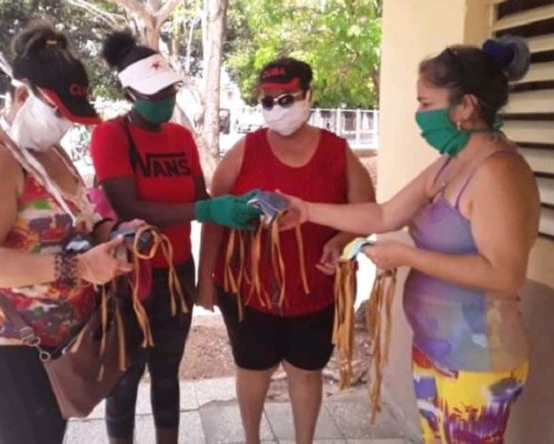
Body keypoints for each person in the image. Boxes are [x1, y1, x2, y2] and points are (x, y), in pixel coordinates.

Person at [281, 37, 538, 443]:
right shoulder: (451, 162)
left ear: (465, 106)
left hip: (475, 358)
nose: (419, 115)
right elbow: (384, 214)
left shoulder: (498, 173)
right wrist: (307, 210)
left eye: (426, 103)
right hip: (437, 347)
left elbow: (505, 275)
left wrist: (407, 256)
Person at [0, 21, 133, 444]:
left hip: (56, 337)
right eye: (59, 113)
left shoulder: (50, 153)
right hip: (2, 342)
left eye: (72, 117)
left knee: (47, 433)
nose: (65, 126)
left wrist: (115, 232)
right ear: (23, 95)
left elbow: (80, 220)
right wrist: (80, 268)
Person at [90, 30, 259, 444]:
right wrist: (204, 211)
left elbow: (198, 199)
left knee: (167, 375)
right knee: (124, 380)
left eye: (169, 90)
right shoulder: (110, 136)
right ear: (130, 93)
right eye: (155, 93)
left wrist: (234, 204)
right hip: (130, 278)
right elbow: (129, 207)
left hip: (177, 275)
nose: (165, 99)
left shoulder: (181, 138)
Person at [197, 57, 375, 444]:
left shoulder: (337, 152)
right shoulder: (246, 150)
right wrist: (204, 281)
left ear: (309, 95)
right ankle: (252, 439)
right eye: (267, 100)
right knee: (253, 369)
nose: (275, 108)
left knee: (306, 372)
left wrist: (339, 241)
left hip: (315, 289)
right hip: (248, 290)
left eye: (286, 99)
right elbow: (213, 213)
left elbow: (367, 214)